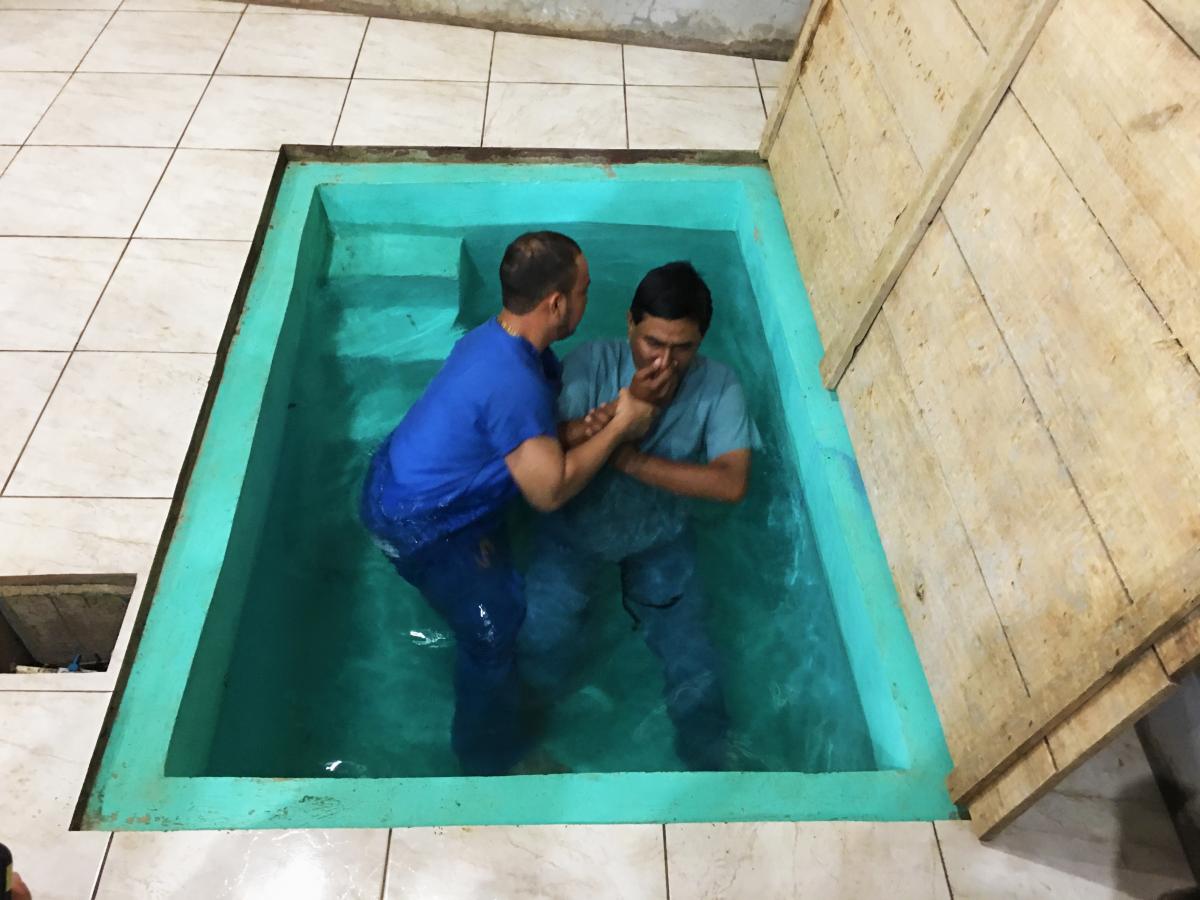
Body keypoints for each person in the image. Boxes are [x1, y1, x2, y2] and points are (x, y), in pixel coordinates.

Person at [360, 231, 658, 776]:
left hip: (397, 473)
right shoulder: (514, 381)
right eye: (585, 291)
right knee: (495, 625)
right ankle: (488, 755)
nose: (591, 301)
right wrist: (618, 428)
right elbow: (549, 492)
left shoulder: (493, 341)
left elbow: (506, 432)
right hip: (417, 521)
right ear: (556, 303)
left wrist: (569, 431)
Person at [519, 261, 757, 771]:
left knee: (692, 655)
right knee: (542, 637)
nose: (666, 362)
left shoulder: (718, 385)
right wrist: (616, 418)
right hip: (574, 532)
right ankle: (520, 743)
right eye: (653, 342)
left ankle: (712, 761)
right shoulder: (593, 363)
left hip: (659, 536)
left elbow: (731, 482)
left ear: (703, 341)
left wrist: (628, 457)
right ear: (630, 322)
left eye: (683, 348)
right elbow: (541, 449)